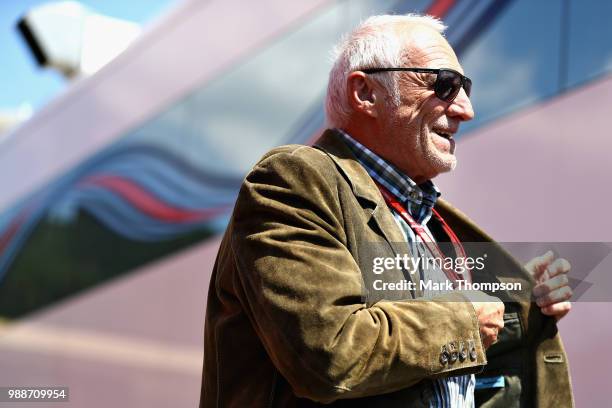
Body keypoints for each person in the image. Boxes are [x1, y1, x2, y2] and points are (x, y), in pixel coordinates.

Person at [200, 14, 573, 407]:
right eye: (444, 85)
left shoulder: (428, 219)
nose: (465, 109)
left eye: (465, 87)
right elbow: (329, 354)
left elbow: (449, 348)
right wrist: (465, 323)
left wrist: (523, 305)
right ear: (365, 93)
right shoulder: (293, 179)